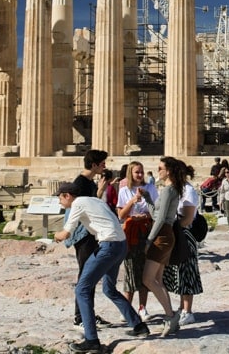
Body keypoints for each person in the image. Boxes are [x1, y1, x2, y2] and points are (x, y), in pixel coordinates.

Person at [53, 182, 149, 353]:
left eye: (60, 198)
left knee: (82, 289)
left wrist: (55, 236)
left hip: (108, 246)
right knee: (109, 288)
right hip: (120, 244)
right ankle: (138, 325)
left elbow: (66, 233)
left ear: (67, 195)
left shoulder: (77, 204)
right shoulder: (94, 200)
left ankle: (91, 340)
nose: (60, 202)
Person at [64, 149, 109, 328]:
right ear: (94, 165)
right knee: (85, 274)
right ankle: (80, 317)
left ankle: (87, 313)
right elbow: (81, 209)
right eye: (102, 163)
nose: (105, 166)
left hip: (90, 233)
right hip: (82, 236)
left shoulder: (89, 182)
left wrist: (100, 190)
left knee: (90, 275)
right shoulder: (80, 184)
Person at [143, 157, 185, 336]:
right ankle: (171, 317)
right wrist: (147, 199)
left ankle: (171, 316)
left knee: (147, 278)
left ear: (168, 171)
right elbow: (156, 214)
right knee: (157, 280)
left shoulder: (169, 190)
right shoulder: (169, 190)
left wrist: (149, 240)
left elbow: (160, 219)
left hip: (162, 235)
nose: (157, 170)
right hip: (164, 233)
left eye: (160, 168)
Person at [162, 161, 203, 327]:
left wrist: (174, 229)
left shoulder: (188, 190)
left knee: (186, 271)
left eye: (162, 169)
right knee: (178, 271)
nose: (160, 171)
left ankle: (188, 311)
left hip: (184, 234)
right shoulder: (176, 189)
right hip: (175, 232)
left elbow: (187, 218)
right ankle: (181, 307)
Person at [116, 161, 158, 321]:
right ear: (130, 174)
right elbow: (121, 215)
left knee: (144, 270)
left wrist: (146, 215)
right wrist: (133, 201)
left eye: (141, 172)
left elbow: (156, 211)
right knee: (130, 270)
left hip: (146, 231)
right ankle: (127, 309)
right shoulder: (124, 191)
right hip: (130, 233)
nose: (140, 175)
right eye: (136, 172)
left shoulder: (151, 188)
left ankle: (142, 308)